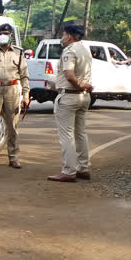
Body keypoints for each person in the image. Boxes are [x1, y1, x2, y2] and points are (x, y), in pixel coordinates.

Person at [48, 23, 93, 182]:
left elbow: (69, 75)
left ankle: (68, 171)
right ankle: (83, 167)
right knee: (81, 133)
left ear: (70, 36)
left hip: (69, 96)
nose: (63, 37)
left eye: (64, 34)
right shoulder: (85, 49)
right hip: (83, 97)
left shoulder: (70, 50)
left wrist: (79, 84)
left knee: (66, 135)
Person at [0, 23, 30, 169]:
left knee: (12, 125)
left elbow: (24, 75)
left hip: (12, 89)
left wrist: (26, 95)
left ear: (11, 36)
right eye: (1, 33)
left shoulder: (18, 52)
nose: (4, 35)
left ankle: (14, 157)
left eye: (7, 33)